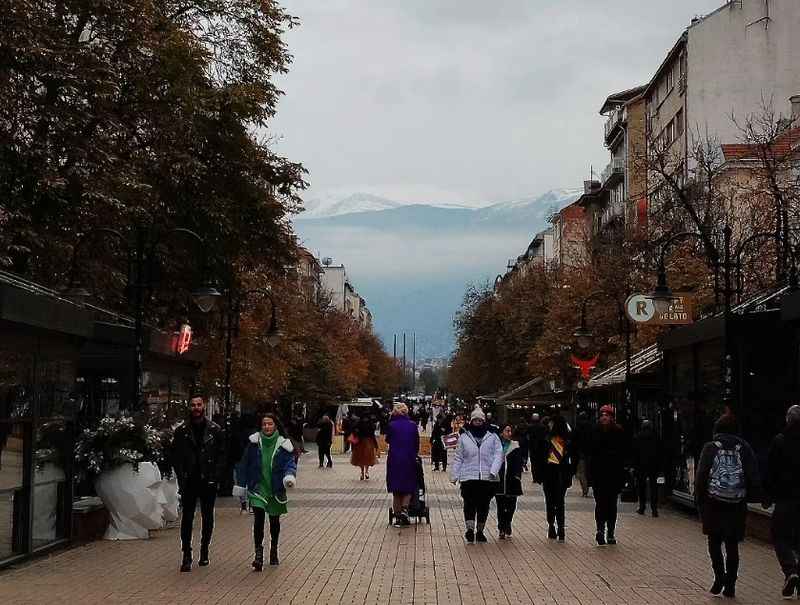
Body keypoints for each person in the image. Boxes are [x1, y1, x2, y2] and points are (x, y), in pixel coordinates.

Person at [695, 414, 762, 598]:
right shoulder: (744, 448)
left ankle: (718, 578)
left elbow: (701, 476)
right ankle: (730, 583)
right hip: (736, 504)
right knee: (732, 544)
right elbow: (753, 475)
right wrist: (754, 497)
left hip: (713, 503)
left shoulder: (710, 448)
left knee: (714, 542)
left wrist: (699, 499)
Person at [170, 393, 226, 572]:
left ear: (204, 406)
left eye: (199, 404)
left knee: (208, 517)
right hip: (189, 480)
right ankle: (186, 554)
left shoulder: (215, 430)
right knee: (187, 518)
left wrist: (215, 477)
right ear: (189, 407)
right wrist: (181, 477)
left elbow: (221, 456)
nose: (196, 408)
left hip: (207, 479)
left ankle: (204, 551)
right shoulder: (181, 431)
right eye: (193, 405)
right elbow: (176, 457)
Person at [240, 413, 297, 570]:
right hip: (258, 487)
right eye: (264, 424)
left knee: (274, 521)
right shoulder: (254, 443)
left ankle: (274, 549)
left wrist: (289, 476)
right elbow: (245, 463)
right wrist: (241, 483)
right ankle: (258, 554)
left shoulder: (283, 445)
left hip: (275, 488)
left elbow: (290, 464)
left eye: (270, 424)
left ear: (275, 426)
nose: (267, 427)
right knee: (258, 519)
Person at [450, 408, 503, 543]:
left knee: (483, 505)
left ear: (484, 421)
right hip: (468, 476)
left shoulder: (492, 436)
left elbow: (498, 454)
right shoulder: (464, 436)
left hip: (487, 477)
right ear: (471, 421)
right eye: (475, 420)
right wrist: (454, 475)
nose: (477, 422)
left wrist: (493, 470)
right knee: (469, 503)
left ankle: (480, 530)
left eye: (480, 420)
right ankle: (469, 529)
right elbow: (459, 457)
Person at [764, 405, 800, 599]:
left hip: (786, 498)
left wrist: (767, 496)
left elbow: (771, 471)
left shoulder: (780, 441)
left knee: (780, 536)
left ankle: (790, 570)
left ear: (788, 419)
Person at [587, 405, 625, 546]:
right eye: (602, 415)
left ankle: (610, 532)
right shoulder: (594, 431)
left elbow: (623, 455)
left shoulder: (618, 432)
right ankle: (600, 530)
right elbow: (590, 453)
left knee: (611, 505)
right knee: (600, 504)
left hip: (613, 475)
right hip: (598, 475)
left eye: (607, 415)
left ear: (612, 417)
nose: (604, 417)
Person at [536, 415, 574, 542]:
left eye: (551, 423)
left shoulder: (551, 440)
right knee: (558, 502)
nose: (549, 425)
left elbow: (540, 458)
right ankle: (556, 526)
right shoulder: (563, 440)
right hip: (556, 475)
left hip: (555, 475)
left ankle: (556, 526)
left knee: (552, 502)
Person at [386, 403, 420, 527]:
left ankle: (398, 516)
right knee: (408, 486)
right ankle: (405, 509)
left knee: (396, 490)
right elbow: (416, 442)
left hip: (394, 459)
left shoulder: (391, 425)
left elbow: (388, 440)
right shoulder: (412, 425)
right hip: (409, 458)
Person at [495, 423, 524, 539]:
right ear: (501, 433)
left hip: (512, 481)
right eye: (507, 431)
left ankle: (508, 523)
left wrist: (517, 475)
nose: (509, 433)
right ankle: (501, 527)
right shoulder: (496, 446)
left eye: (510, 431)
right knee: (500, 506)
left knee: (512, 506)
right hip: (500, 481)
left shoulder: (515, 446)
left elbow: (519, 462)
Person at [632, 419, 662, 517]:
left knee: (641, 487)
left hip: (641, 466)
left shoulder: (638, 437)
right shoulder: (656, 437)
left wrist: (634, 466)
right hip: (653, 465)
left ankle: (642, 507)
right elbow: (659, 452)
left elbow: (635, 453)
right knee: (654, 487)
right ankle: (654, 509)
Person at [351, 415, 378, 480]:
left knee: (362, 458)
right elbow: (372, 434)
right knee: (367, 457)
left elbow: (353, 431)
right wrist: (375, 444)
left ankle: (363, 472)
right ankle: (366, 472)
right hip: (368, 442)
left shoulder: (358, 423)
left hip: (361, 442)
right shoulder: (370, 423)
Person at [571, 412, 592, 497]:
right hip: (590, 453)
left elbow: (574, 441)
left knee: (581, 473)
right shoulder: (591, 427)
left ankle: (585, 490)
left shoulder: (578, 428)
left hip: (580, 454)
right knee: (588, 471)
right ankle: (587, 488)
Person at [527, 413, 547, 483]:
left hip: (532, 448)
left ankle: (535, 478)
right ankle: (540, 477)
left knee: (534, 463)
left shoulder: (529, 427)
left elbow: (528, 437)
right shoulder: (543, 427)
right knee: (540, 463)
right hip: (541, 447)